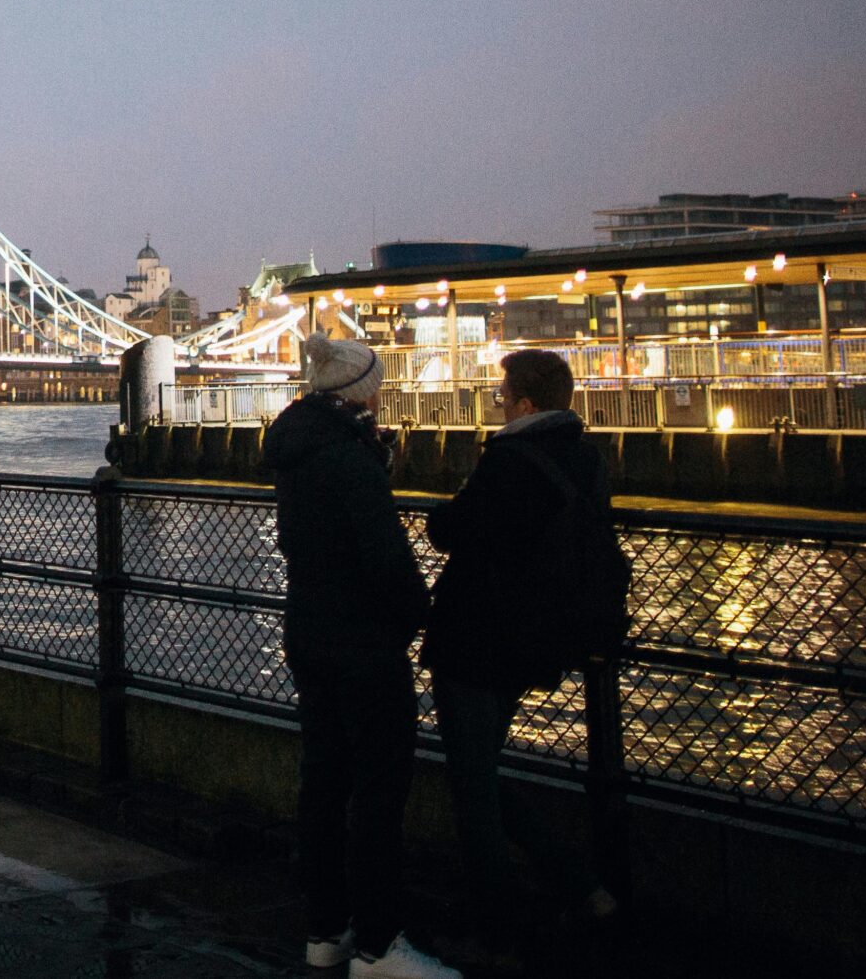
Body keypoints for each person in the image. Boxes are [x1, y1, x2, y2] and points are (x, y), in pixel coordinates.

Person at [264, 332, 455, 979]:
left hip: (309, 631)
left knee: (322, 780)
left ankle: (327, 931)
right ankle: (380, 945)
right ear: (360, 392)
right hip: (363, 642)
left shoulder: (298, 447)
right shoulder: (348, 458)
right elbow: (385, 559)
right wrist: (416, 618)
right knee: (378, 791)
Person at [424, 349, 625, 956]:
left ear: (527, 405)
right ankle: (582, 887)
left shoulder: (511, 461)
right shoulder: (585, 459)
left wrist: (441, 514)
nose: (498, 404)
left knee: (473, 788)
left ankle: (500, 923)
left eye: (503, 396)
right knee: (480, 769)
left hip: (477, 641)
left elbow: (457, 531)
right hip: (536, 641)